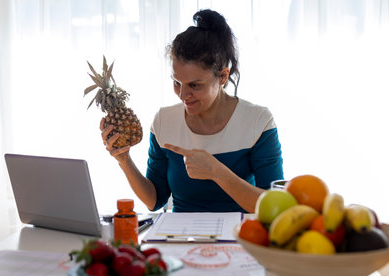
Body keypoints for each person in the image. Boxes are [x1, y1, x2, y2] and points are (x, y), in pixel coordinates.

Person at [101, 9, 283, 213]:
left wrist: (216, 171)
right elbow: (154, 200)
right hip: (180, 239)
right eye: (177, 83)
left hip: (240, 236)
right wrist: (124, 160)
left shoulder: (258, 120)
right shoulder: (164, 121)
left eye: (195, 85)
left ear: (222, 76)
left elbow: (274, 206)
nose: (182, 95)